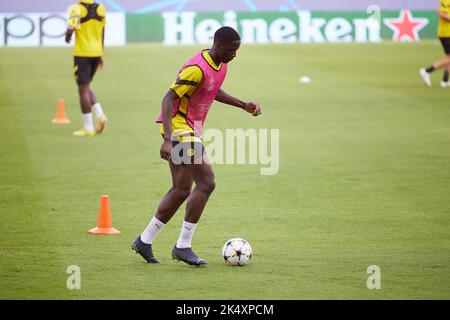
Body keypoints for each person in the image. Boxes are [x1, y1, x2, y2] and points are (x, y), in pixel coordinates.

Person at [132, 26, 262, 266]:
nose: (235, 54)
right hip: (180, 130)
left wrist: (242, 104)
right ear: (218, 45)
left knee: (181, 189)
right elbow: (168, 98)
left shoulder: (221, 64)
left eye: (237, 50)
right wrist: (168, 140)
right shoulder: (195, 68)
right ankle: (183, 246)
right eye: (232, 50)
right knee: (206, 182)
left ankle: (145, 240)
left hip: (191, 129)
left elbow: (211, 89)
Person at [65, 0, 108, 136]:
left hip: (82, 53)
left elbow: (71, 27)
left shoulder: (76, 8)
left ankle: (88, 127)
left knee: (82, 89)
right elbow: (102, 32)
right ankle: (100, 115)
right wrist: (101, 53)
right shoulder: (101, 8)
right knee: (86, 86)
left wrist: (67, 36)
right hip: (96, 52)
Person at [420, 0, 450, 87]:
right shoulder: (445, 0)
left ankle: (445, 80)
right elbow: (441, 14)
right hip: (445, 33)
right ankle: (427, 71)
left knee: (448, 57)